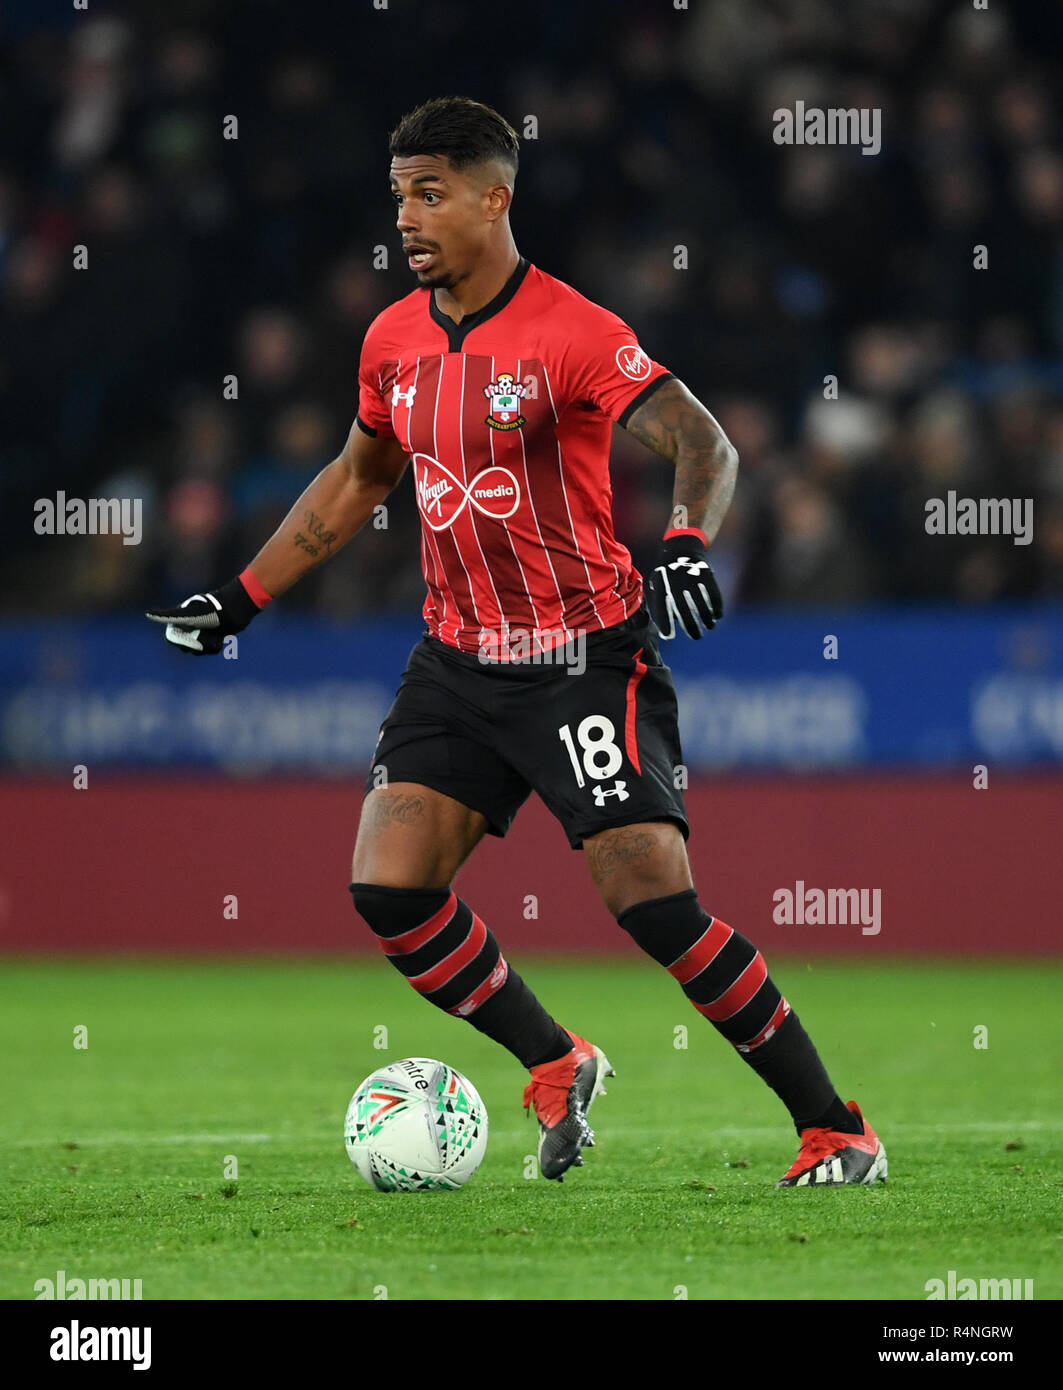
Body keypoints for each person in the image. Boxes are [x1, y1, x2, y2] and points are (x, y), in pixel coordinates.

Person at [148, 96, 885, 1188]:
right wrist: (245, 595)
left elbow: (701, 437)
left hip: (581, 655)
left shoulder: (573, 331)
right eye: (399, 194)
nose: (407, 216)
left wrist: (684, 541)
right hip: (455, 660)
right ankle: (555, 1058)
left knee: (653, 900)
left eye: (432, 193)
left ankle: (836, 1129)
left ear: (495, 198)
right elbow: (359, 480)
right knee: (390, 890)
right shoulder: (391, 339)